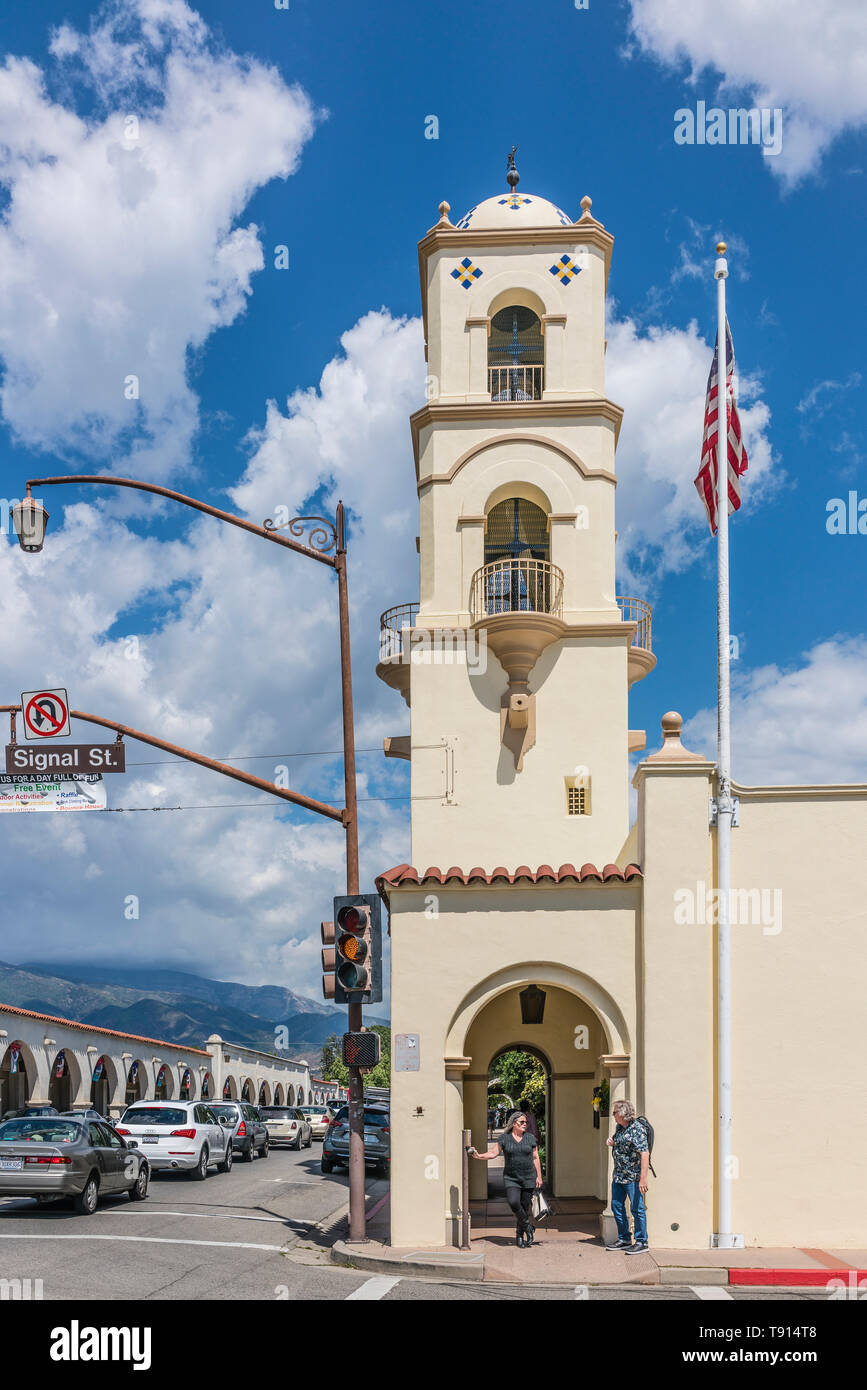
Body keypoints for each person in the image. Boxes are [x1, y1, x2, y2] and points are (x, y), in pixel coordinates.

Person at [467, 1110, 542, 1248]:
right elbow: (493, 1153)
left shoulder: (530, 1138)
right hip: (511, 1177)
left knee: (525, 1207)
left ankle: (520, 1236)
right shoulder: (504, 1139)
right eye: (522, 1122)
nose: (525, 1124)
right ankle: (529, 1228)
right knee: (514, 1203)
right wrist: (478, 1156)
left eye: (526, 1122)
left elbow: (536, 1157)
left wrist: (539, 1176)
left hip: (528, 1177)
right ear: (514, 1123)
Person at [605, 1099, 649, 1253]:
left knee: (637, 1209)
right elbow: (621, 1143)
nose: (613, 1115)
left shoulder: (637, 1129)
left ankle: (642, 1242)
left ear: (623, 1113)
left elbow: (644, 1153)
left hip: (633, 1177)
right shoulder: (620, 1128)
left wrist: (643, 1178)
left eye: (615, 1112)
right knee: (617, 1206)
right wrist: (612, 1142)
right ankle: (624, 1238)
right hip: (619, 1176)